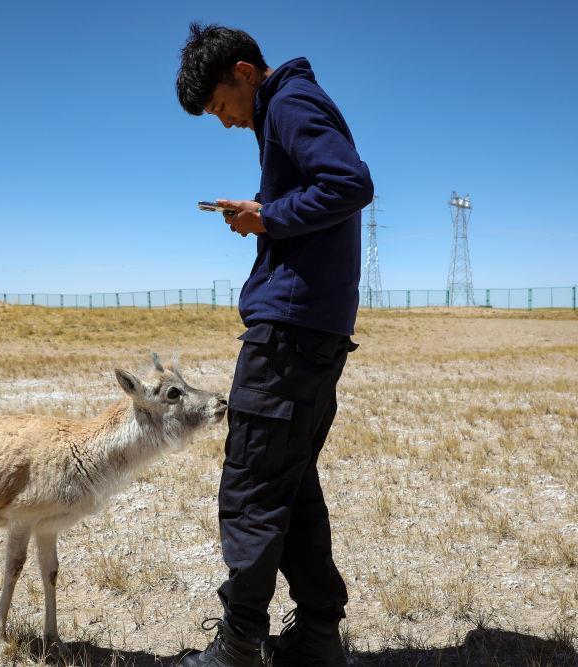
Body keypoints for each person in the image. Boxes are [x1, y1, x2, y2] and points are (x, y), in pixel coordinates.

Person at [175, 22, 374, 667]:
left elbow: (349, 184)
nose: (225, 121)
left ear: (243, 71)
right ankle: (318, 638)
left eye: (220, 106)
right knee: (291, 486)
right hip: (311, 332)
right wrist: (264, 205)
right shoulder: (285, 109)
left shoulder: (288, 102)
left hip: (288, 336)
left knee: (251, 488)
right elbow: (317, 191)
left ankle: (237, 647)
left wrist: (270, 217)